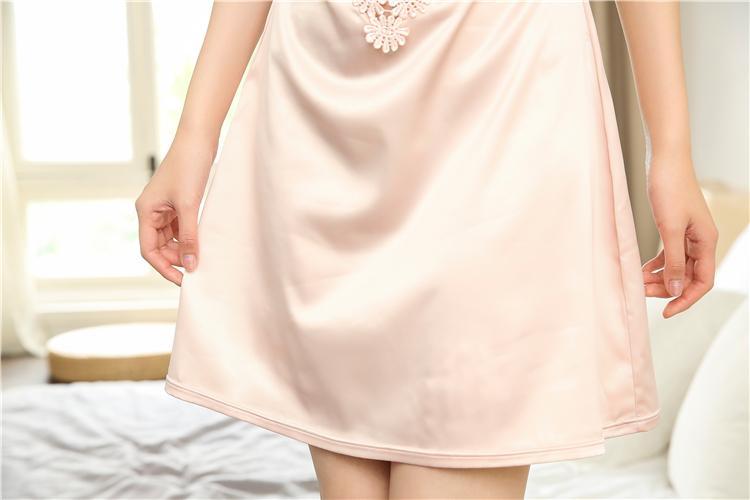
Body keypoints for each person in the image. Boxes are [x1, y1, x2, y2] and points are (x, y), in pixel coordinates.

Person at [135, 0, 718, 497]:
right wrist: (195, 135)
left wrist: (671, 151)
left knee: (465, 415)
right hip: (326, 95)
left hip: (500, 82)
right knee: (351, 441)